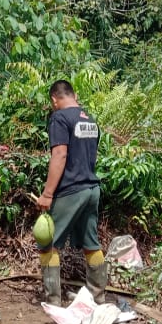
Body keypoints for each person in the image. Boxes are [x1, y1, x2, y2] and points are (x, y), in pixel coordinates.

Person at [35, 79, 107, 306]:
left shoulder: (59, 118)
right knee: (91, 243)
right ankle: (98, 297)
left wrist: (47, 194)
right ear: (74, 96)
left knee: (48, 243)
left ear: (54, 100)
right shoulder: (90, 120)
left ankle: (53, 301)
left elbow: (60, 156)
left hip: (71, 191)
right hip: (92, 189)